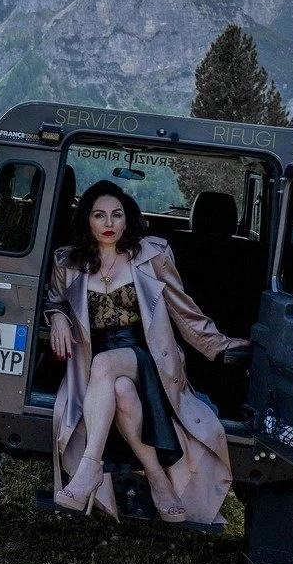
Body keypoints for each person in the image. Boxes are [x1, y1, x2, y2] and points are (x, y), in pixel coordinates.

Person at [43, 180, 248, 525]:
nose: (109, 223)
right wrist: (60, 318)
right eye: (99, 215)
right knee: (120, 390)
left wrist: (221, 346)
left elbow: (184, 311)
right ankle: (158, 479)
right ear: (87, 221)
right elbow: (53, 300)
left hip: (145, 354)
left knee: (107, 364)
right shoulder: (67, 262)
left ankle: (89, 469)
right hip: (94, 363)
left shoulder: (151, 256)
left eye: (116, 215)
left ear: (126, 219)